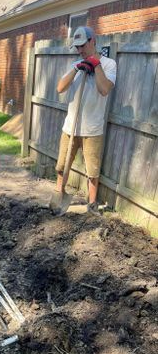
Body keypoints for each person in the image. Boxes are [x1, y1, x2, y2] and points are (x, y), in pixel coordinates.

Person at [55, 26, 117, 214]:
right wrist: (77, 69)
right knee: (62, 165)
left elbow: (104, 89)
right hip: (70, 127)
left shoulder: (108, 64)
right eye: (77, 47)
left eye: (82, 46)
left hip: (93, 129)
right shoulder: (76, 64)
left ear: (92, 41)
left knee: (93, 171)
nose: (80, 50)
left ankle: (91, 204)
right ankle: (59, 195)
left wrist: (95, 65)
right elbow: (60, 88)